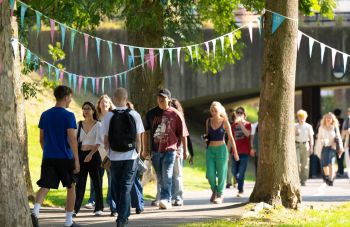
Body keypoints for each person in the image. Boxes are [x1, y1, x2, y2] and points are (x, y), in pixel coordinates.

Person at [31, 85, 80, 227]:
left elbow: (41, 138)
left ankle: (35, 212)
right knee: (71, 187)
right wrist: (76, 160)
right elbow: (72, 139)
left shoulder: (45, 115)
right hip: (65, 158)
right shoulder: (69, 115)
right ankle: (68, 222)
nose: (70, 100)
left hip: (49, 157)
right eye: (70, 97)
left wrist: (48, 151)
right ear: (66, 97)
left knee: (45, 186)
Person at [102, 88, 144, 227]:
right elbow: (138, 138)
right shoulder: (134, 114)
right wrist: (138, 153)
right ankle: (122, 218)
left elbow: (106, 140)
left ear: (114, 99)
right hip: (130, 156)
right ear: (126, 98)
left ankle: (122, 215)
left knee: (117, 187)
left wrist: (109, 154)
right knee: (126, 187)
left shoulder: (109, 116)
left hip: (114, 157)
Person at [143, 89, 189, 210]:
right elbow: (145, 132)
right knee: (160, 176)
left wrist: (185, 150)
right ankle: (164, 197)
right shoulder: (151, 113)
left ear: (169, 99)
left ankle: (165, 199)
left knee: (167, 174)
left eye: (163, 98)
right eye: (159, 98)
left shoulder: (175, 114)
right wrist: (144, 149)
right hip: (155, 150)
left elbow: (183, 133)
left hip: (170, 150)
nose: (160, 100)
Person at [85, 95, 117, 216]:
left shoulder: (114, 117)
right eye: (102, 102)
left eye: (107, 102)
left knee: (111, 179)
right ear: (98, 105)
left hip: (110, 154)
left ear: (110, 104)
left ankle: (111, 203)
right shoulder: (95, 118)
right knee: (96, 179)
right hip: (98, 153)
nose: (104, 104)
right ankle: (93, 200)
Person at [73, 102, 104, 216]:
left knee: (96, 181)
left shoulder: (98, 124)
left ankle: (99, 208)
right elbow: (75, 141)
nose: (86, 111)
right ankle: (74, 209)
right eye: (84, 108)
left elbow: (99, 142)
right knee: (80, 183)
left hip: (94, 155)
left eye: (88, 108)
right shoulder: (79, 124)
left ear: (93, 110)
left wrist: (90, 154)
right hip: (81, 155)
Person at [205, 101, 239, 204]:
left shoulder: (224, 122)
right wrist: (205, 139)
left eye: (215, 110)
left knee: (221, 174)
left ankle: (220, 194)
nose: (213, 112)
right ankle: (214, 190)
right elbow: (208, 136)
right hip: (210, 150)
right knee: (210, 174)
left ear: (219, 111)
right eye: (212, 110)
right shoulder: (208, 121)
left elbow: (231, 138)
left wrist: (235, 153)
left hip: (221, 150)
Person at [170, 98, 194, 206]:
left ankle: (178, 197)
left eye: (174, 106)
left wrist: (187, 151)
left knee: (177, 174)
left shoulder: (180, 118)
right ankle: (168, 197)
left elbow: (186, 137)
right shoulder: (166, 117)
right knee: (167, 175)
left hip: (178, 148)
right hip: (168, 148)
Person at [315, 113, 344, 186]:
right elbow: (319, 138)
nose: (328, 119)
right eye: (327, 118)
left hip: (332, 147)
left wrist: (341, 147)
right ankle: (327, 177)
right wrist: (323, 141)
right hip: (324, 147)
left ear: (332, 120)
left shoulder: (335, 127)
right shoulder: (321, 127)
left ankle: (331, 179)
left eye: (330, 118)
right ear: (324, 119)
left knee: (331, 163)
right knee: (325, 164)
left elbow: (339, 137)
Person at [127, 100, 145, 214]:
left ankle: (139, 204)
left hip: (133, 153)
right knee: (128, 182)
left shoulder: (135, 118)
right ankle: (129, 205)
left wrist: (139, 151)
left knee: (135, 181)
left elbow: (140, 136)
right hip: (124, 153)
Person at [231, 106, 251, 197]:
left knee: (241, 172)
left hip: (244, 152)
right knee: (234, 172)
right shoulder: (233, 126)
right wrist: (227, 152)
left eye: (241, 113)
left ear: (244, 115)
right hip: (235, 153)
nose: (239, 114)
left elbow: (247, 134)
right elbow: (230, 140)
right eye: (237, 113)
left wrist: (241, 124)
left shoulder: (247, 124)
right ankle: (240, 182)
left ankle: (240, 190)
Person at [295, 109, 314, 186]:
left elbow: (311, 137)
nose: (301, 118)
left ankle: (304, 180)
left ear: (305, 117)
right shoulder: (295, 126)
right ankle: (297, 179)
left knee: (305, 163)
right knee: (297, 162)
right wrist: (296, 133)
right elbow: (291, 137)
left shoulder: (308, 126)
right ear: (298, 117)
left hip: (305, 145)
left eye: (303, 117)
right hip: (296, 145)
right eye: (300, 117)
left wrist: (311, 147)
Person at [334, 108, 345, 177]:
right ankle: (341, 170)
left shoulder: (334, 121)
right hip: (343, 140)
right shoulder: (343, 120)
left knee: (337, 156)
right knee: (341, 156)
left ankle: (340, 170)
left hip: (336, 140)